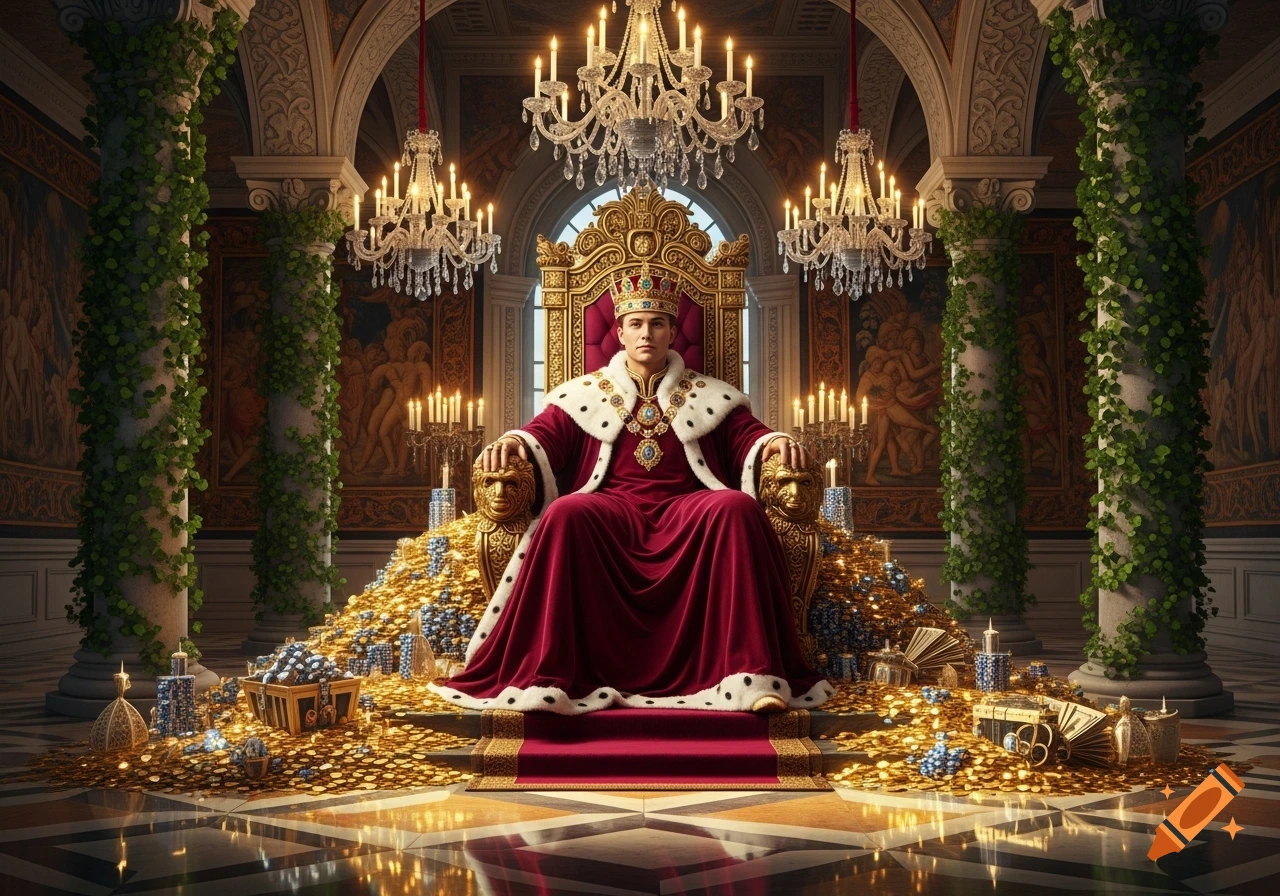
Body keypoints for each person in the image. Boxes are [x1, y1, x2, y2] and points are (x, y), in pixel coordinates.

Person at [429, 270, 831, 715]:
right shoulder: (584, 394)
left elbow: (746, 436)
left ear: (673, 332)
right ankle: (549, 677)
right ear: (619, 332)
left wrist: (773, 442)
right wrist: (514, 441)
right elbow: (543, 433)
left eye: (657, 323)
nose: (647, 333)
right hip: (611, 510)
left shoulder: (710, 394)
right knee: (566, 514)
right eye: (636, 324)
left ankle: (750, 678)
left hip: (687, 509)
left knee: (735, 507)